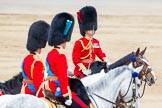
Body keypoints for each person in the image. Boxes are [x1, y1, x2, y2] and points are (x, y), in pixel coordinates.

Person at [43, 12, 89, 108]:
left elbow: (53, 69)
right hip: (58, 89)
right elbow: (62, 77)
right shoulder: (61, 56)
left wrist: (69, 72)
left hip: (49, 86)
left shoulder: (50, 53)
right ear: (62, 41)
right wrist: (66, 95)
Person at [72, 6, 108, 78]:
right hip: (81, 70)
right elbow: (75, 59)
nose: (92, 31)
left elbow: (100, 53)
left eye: (93, 29)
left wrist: (107, 61)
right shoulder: (79, 42)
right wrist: (83, 68)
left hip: (93, 67)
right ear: (85, 29)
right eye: (90, 29)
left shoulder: (96, 41)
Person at [20, 20, 50, 97]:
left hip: (24, 90)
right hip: (33, 92)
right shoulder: (37, 62)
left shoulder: (26, 59)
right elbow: (38, 84)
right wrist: (42, 97)